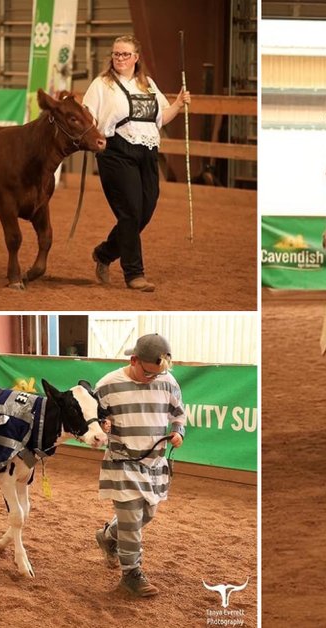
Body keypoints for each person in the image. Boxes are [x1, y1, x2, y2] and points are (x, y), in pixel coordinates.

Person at [82, 35, 191, 292]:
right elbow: (88, 116)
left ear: (136, 58)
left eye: (125, 54)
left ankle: (105, 253)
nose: (119, 58)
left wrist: (178, 104)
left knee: (145, 211)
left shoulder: (148, 84)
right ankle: (134, 273)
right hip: (116, 152)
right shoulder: (101, 85)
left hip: (148, 152)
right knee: (130, 211)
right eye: (116, 54)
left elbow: (161, 117)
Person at [93, 333, 186, 597]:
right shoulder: (107, 386)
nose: (153, 378)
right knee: (132, 519)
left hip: (154, 464)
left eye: (158, 374)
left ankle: (108, 536)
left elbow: (179, 414)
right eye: (148, 373)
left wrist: (178, 432)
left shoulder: (167, 381)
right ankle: (131, 574)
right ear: (134, 360)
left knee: (146, 514)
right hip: (122, 462)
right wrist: (102, 425)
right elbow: (94, 420)